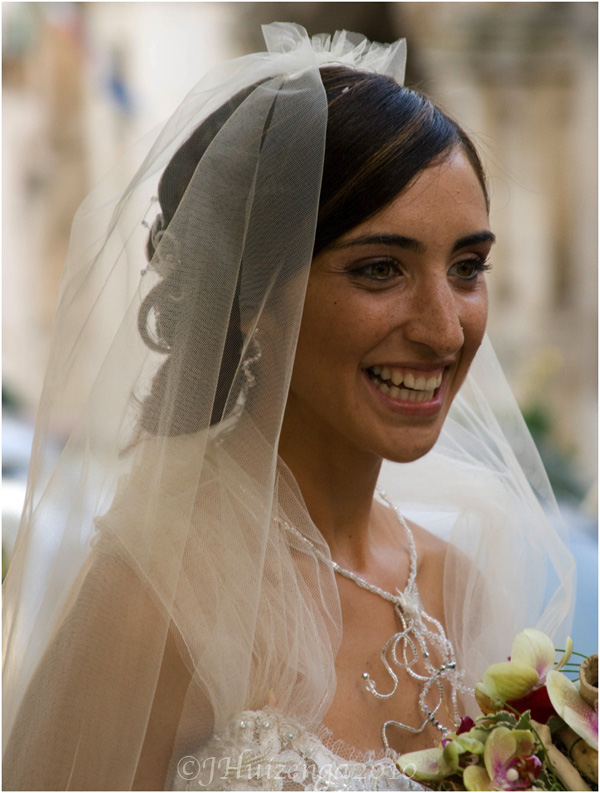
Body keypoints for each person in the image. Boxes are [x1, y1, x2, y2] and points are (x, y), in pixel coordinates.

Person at [2, 23, 574, 791]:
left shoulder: (459, 584)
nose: (445, 328)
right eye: (380, 269)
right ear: (252, 297)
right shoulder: (156, 600)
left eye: (468, 266)